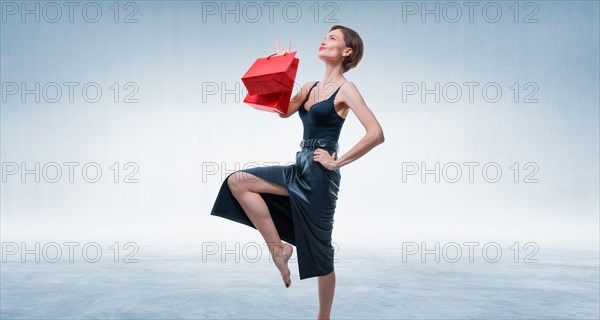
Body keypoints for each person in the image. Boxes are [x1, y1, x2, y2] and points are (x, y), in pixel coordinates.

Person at [210, 25, 385, 319]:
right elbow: (279, 109)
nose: (324, 40)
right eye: (325, 36)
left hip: (320, 177)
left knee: (320, 252)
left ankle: (323, 317)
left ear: (347, 52)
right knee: (238, 182)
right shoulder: (309, 87)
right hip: (299, 166)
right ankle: (279, 249)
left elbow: (376, 133)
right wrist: (281, 69)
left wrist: (336, 162)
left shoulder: (347, 89)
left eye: (332, 38)